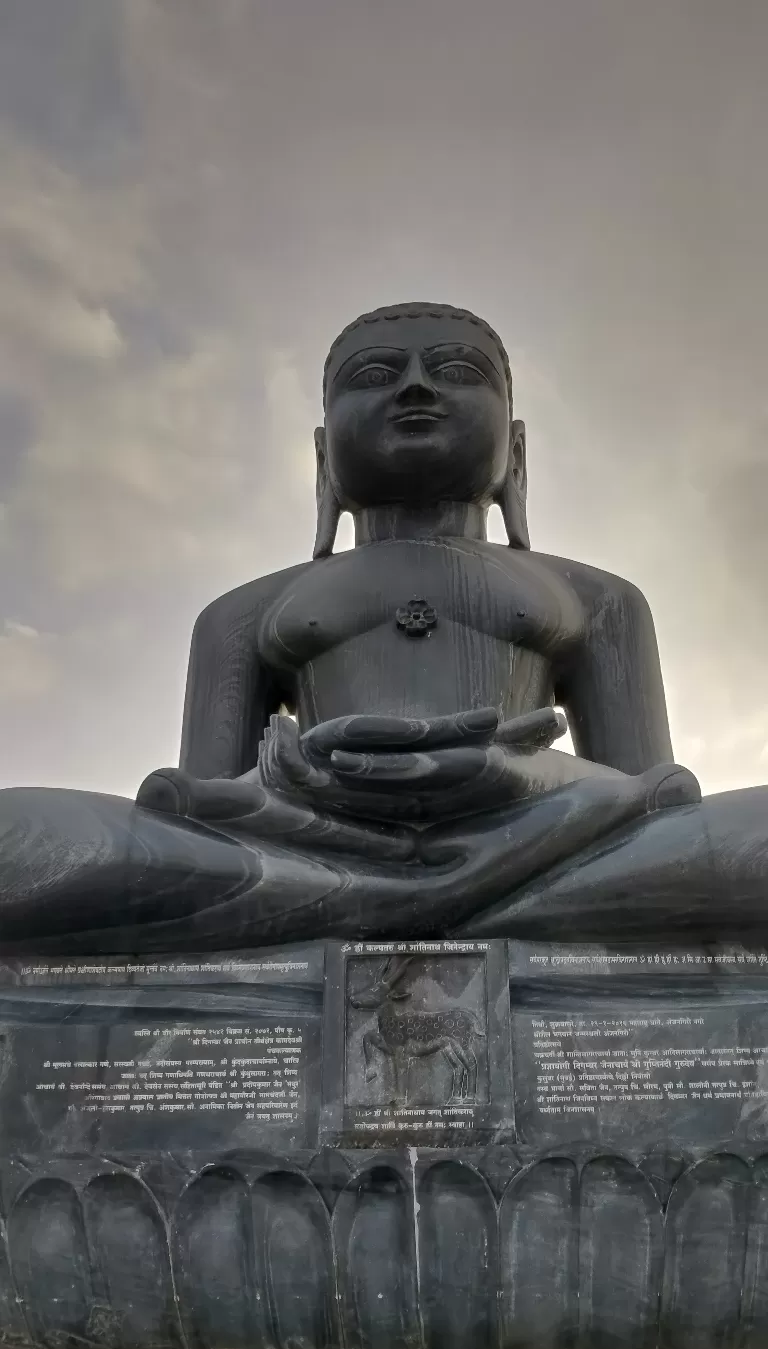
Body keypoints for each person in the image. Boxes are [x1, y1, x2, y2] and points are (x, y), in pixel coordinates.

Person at [0, 303, 763, 953]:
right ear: (324, 456)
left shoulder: (600, 598)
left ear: (516, 449)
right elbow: (196, 812)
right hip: (309, 852)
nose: (417, 388)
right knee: (21, 841)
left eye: (458, 370)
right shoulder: (241, 613)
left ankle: (388, 912)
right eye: (374, 377)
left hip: (541, 846)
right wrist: (296, 784)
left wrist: (532, 777)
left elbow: (659, 806)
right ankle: (443, 910)